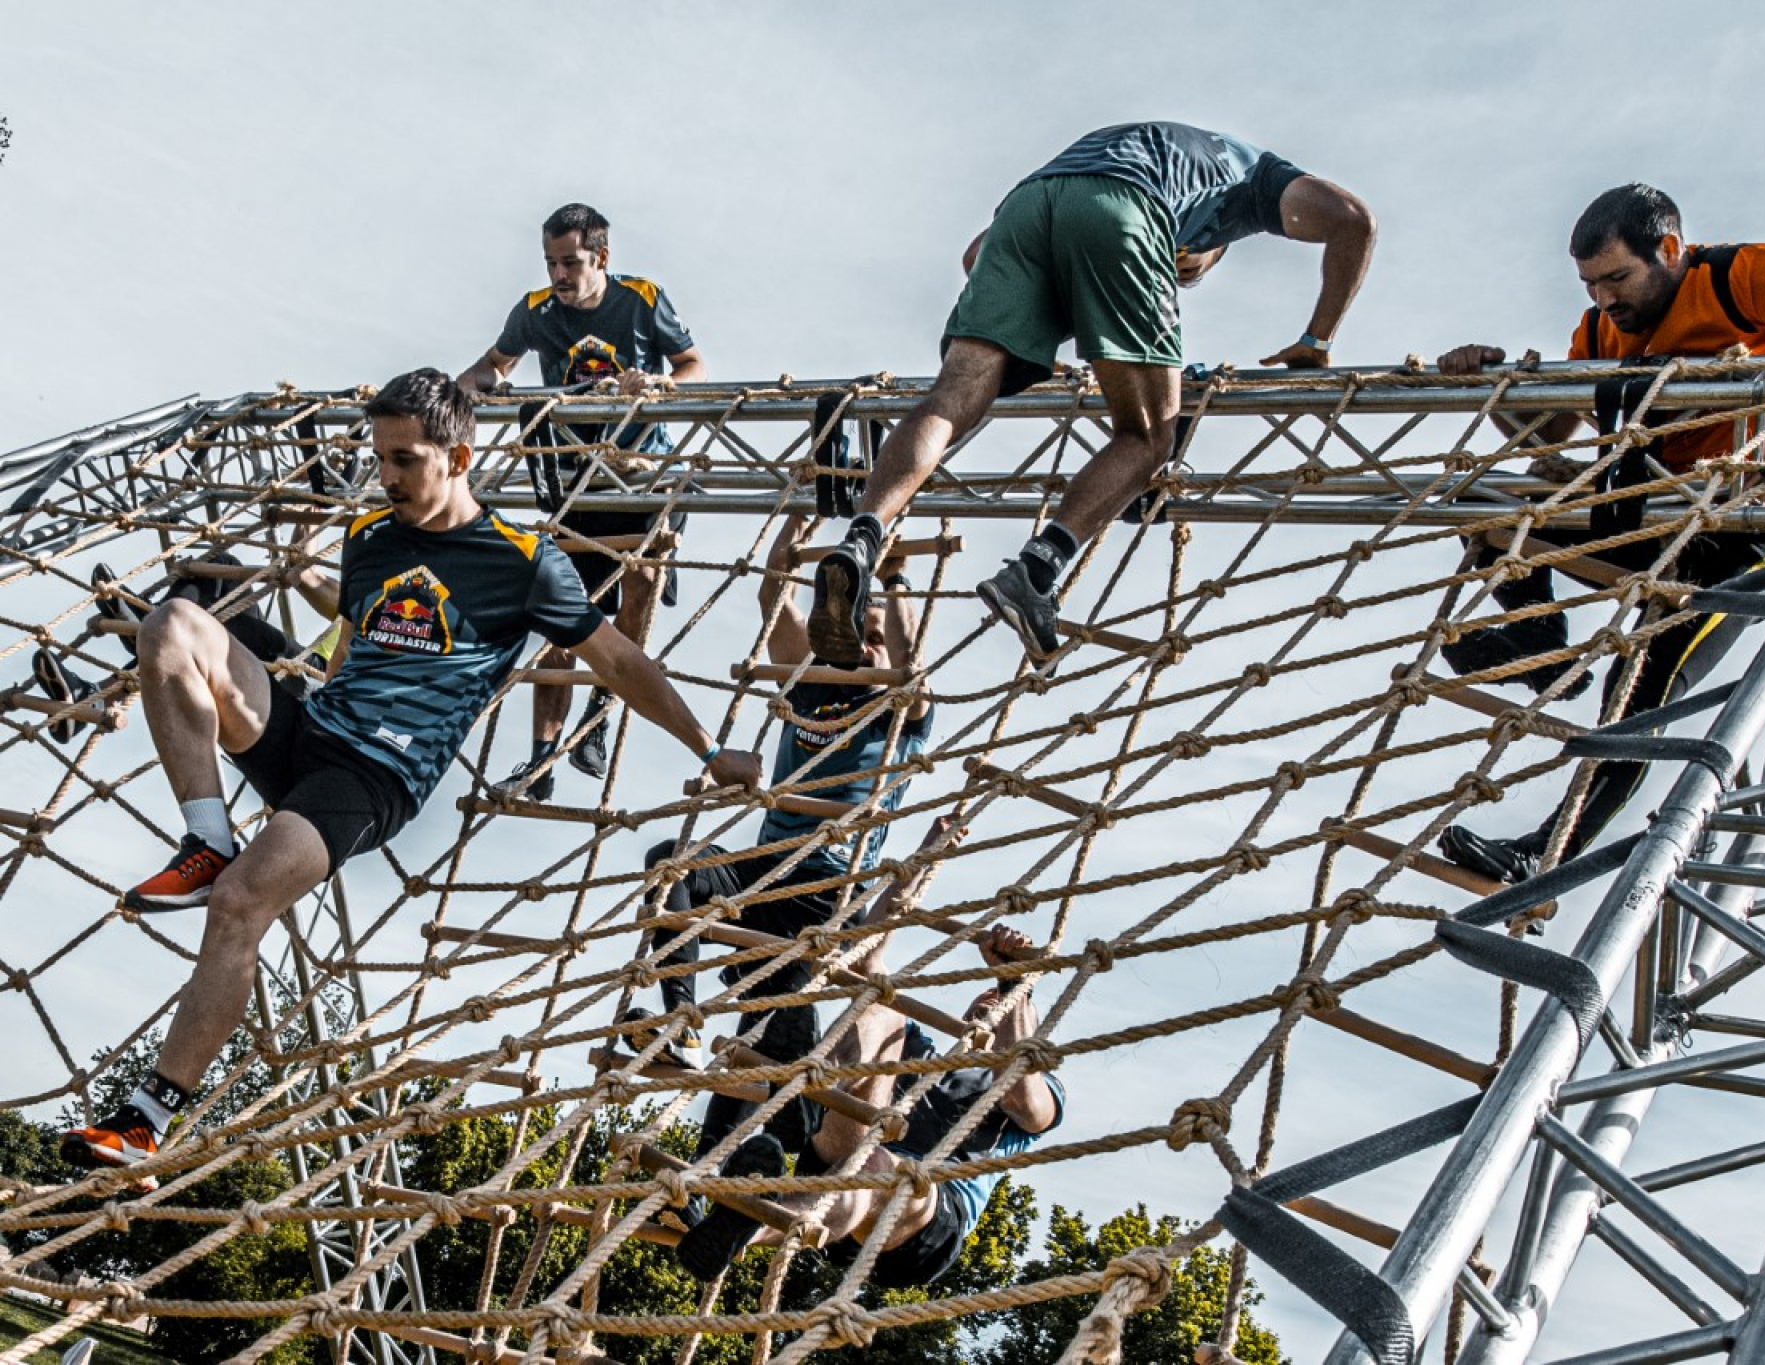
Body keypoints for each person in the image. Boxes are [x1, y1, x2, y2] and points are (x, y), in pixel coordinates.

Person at [61, 368, 759, 1185]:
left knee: (241, 902)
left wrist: (708, 750)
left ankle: (145, 1122)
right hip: (314, 729)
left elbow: (619, 661)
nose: (385, 477)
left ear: (458, 456)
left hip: (374, 776)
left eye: (403, 460)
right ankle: (207, 837)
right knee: (175, 620)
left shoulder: (522, 561)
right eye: (378, 458)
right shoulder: (371, 539)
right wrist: (295, 615)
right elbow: (359, 637)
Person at [1431, 184, 1765, 883]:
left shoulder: (1746, 278)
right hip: (1650, 512)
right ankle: (1542, 643)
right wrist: (1493, 382)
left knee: (1642, 675)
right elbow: (1548, 438)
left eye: (1618, 278)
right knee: (1487, 502)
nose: (1604, 300)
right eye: (1590, 284)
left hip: (1753, 529)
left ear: (1672, 251)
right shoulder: (1600, 331)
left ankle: (1543, 852)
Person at [806, 121, 1376, 666]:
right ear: (1215, 247)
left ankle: (864, 534)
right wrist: (1315, 339)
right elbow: (1354, 221)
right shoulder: (1259, 182)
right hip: (1125, 209)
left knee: (949, 403)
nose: (1181, 273)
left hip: (1024, 208)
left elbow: (977, 257)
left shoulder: (1153, 151)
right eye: (1184, 270)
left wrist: (1040, 333)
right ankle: (1037, 570)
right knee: (1151, 434)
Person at [622, 511, 933, 1146]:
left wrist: (895, 584)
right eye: (859, 635)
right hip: (768, 869)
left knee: (766, 1040)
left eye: (875, 638)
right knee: (671, 862)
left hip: (828, 892)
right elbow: (775, 598)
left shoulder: (895, 713)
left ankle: (742, 1163)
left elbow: (911, 663)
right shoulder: (810, 682)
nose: (868, 649)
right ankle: (679, 1018)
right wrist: (798, 527)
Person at [674, 881, 1062, 1290]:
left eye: (1004, 1010)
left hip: (922, 1221)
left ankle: (753, 1227)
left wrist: (1013, 986)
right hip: (840, 1164)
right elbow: (867, 964)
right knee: (881, 1008)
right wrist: (916, 868)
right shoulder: (920, 1053)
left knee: (878, 1167)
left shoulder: (1037, 1087)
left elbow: (1026, 1102)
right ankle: (807, 1091)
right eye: (986, 998)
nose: (991, 1004)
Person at [458, 203, 708, 801]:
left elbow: (693, 364)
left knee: (641, 579)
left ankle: (601, 715)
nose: (559, 275)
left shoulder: (642, 299)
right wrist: (451, 396)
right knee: (561, 613)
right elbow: (493, 367)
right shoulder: (536, 311)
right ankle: (542, 759)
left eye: (570, 262)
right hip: (575, 480)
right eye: (551, 263)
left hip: (640, 473)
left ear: (601, 257)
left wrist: (662, 385)